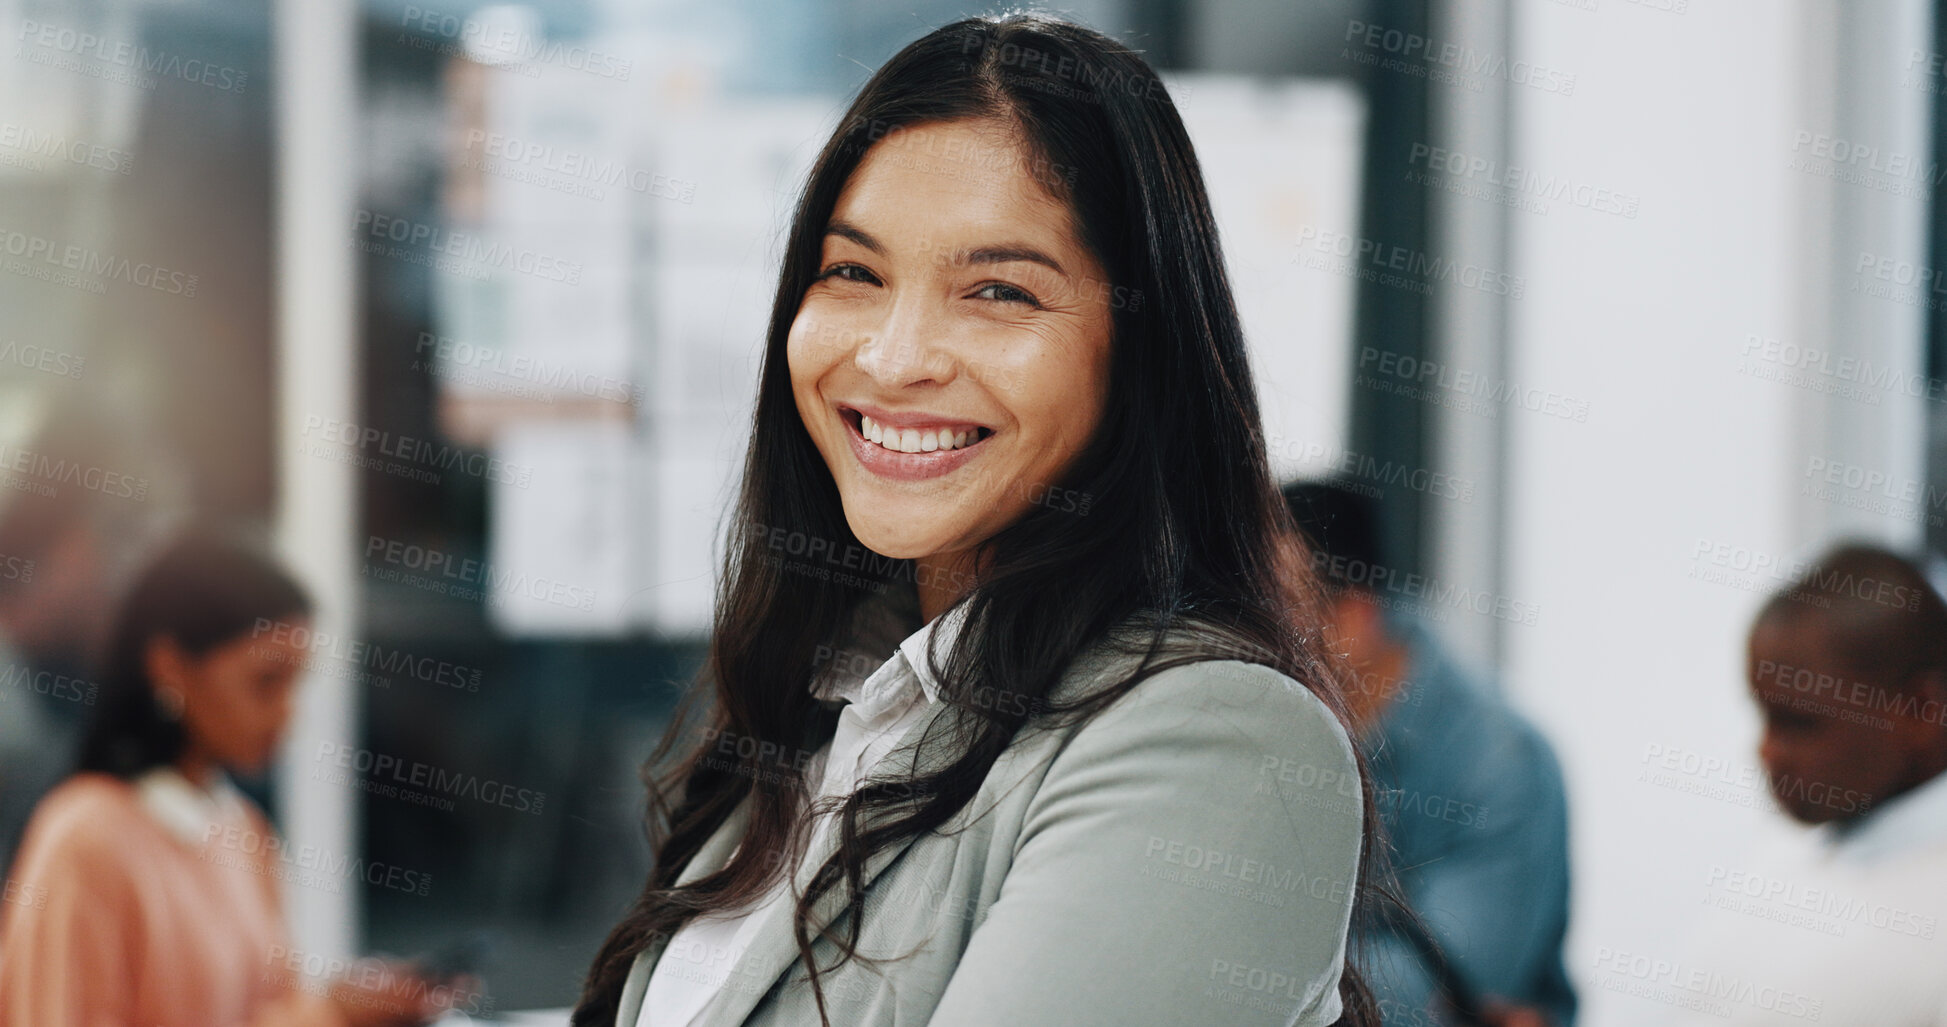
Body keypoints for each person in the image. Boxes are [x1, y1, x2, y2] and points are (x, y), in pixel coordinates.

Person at [574, 14, 1382, 1027]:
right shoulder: (836, 706)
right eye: (853, 273)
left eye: (999, 290)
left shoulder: (1219, 743)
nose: (895, 356)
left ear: (1136, 354)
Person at [0, 531, 456, 1027]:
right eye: (265, 682)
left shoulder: (242, 830)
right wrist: (325, 1014)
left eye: (296, 685)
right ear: (170, 667)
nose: (287, 715)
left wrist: (350, 1006)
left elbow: (265, 1013)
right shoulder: (88, 838)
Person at [1283, 480, 1575, 1027]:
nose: (1246, 639)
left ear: (1354, 619)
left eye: (1276, 613)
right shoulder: (1268, 726)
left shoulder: (1501, 762)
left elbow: (1434, 998)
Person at [1657, 543, 1947, 1025]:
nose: (1766, 751)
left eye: (1799, 724)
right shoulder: (1794, 847)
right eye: (1765, 717)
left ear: (1919, 710)